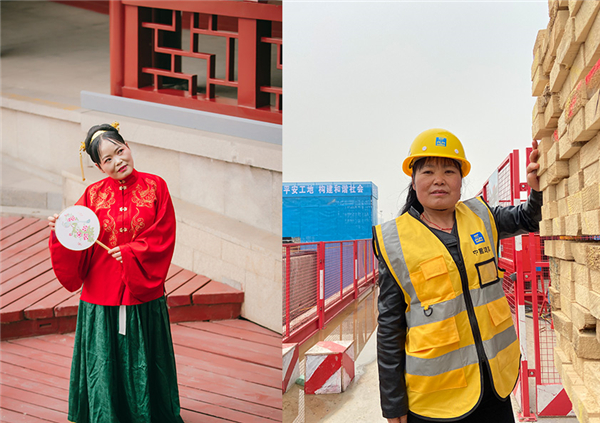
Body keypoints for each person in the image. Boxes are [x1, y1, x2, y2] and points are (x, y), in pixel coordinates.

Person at [372, 128, 542, 423]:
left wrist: (537, 190)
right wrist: (393, 402)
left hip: (493, 386)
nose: (439, 179)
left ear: (461, 181)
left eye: (449, 170)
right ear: (413, 181)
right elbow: (390, 326)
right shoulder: (395, 241)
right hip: (436, 400)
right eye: (427, 171)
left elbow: (529, 217)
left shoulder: (482, 217)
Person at [48, 123, 184, 423]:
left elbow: (164, 233)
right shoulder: (92, 195)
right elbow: (79, 239)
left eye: (120, 151)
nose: (118, 161)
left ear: (128, 147)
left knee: (145, 358)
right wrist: (62, 229)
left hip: (141, 287)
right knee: (103, 359)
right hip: (101, 291)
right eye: (107, 159)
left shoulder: (155, 187)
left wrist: (134, 250)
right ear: (98, 166)